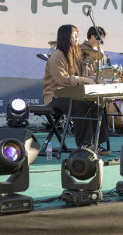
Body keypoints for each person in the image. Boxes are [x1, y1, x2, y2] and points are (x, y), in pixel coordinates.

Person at [42, 24, 110, 155]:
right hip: (54, 96)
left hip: (70, 94)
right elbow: (62, 79)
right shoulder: (57, 56)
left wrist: (97, 81)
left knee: (96, 105)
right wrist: (84, 80)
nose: (77, 38)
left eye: (77, 35)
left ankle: (96, 143)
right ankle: (84, 144)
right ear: (65, 36)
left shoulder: (75, 55)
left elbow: (82, 76)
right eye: (74, 35)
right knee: (80, 105)